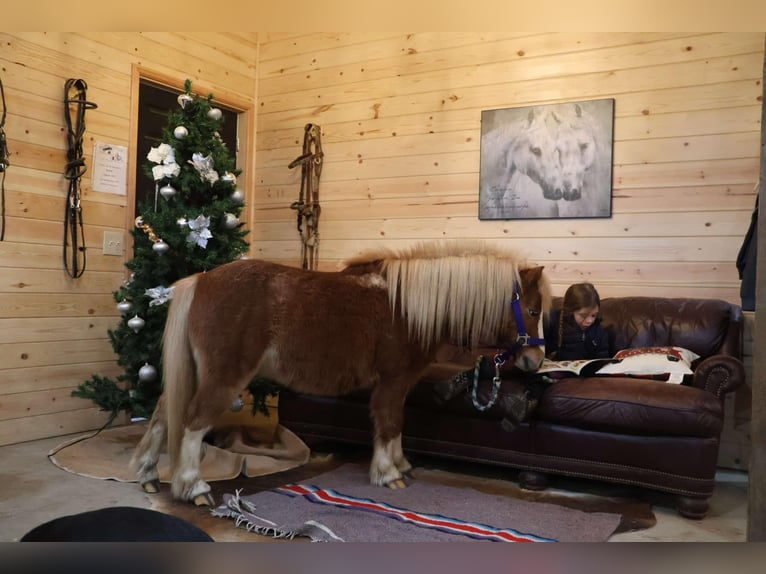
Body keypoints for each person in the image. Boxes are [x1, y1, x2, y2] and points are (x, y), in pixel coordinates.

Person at [501, 282, 610, 429]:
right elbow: (536, 345)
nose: (589, 320)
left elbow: (603, 359)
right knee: (527, 370)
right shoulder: (553, 320)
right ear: (570, 310)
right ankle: (483, 373)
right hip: (550, 367)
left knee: (543, 380)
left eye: (593, 315)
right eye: (583, 315)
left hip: (575, 375)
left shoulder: (599, 332)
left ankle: (529, 398)